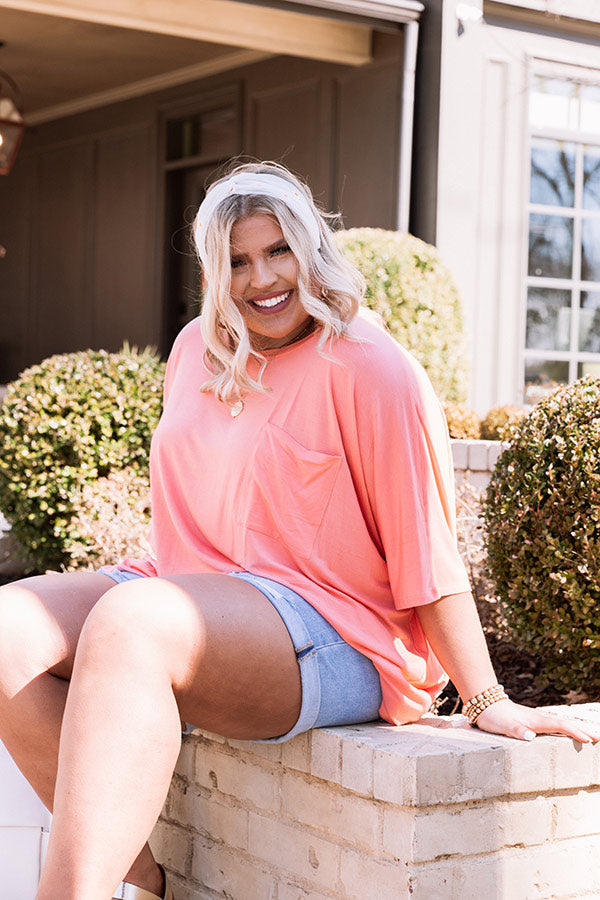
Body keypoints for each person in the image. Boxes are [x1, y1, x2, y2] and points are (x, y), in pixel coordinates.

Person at [0, 161, 597, 900]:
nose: (262, 279)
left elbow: (426, 554)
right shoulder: (195, 350)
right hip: (191, 592)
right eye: (237, 261)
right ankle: (143, 880)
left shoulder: (372, 367)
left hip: (336, 626)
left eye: (278, 250)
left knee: (132, 622)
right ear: (214, 271)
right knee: (9, 628)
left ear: (311, 249)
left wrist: (486, 699)